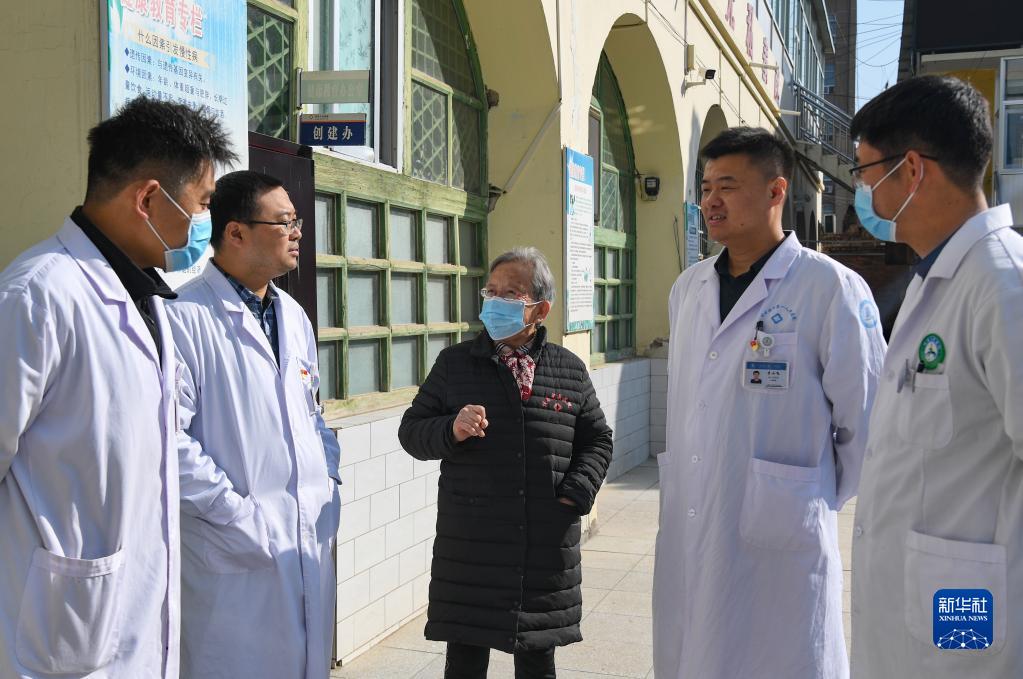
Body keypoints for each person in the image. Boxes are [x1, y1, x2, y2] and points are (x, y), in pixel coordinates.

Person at [0, 96, 235, 678]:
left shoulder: (145, 297)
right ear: (149, 199)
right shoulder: (37, 296)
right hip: (54, 634)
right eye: (203, 203)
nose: (204, 223)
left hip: (131, 623)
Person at [653, 127, 886, 678]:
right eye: (706, 187)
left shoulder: (829, 287)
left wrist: (801, 492)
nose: (711, 200)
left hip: (782, 536)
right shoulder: (689, 289)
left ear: (776, 191)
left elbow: (868, 424)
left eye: (728, 186)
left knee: (779, 657)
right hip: (694, 517)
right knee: (695, 649)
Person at [849, 75, 1023, 677]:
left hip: (964, 621)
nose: (862, 192)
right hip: (922, 612)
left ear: (912, 169)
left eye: (865, 172)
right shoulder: (938, 280)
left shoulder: (1003, 285)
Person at [399, 247, 613, 679]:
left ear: (540, 309)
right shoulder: (456, 363)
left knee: (536, 660)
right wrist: (451, 428)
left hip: (543, 543)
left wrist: (574, 494)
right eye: (491, 291)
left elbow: (597, 439)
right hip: (472, 545)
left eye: (511, 293)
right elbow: (412, 432)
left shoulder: (568, 369)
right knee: (465, 660)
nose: (496, 302)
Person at [165, 171, 341, 679]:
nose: (297, 233)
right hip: (231, 547)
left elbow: (312, 415)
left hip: (304, 537)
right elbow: (168, 440)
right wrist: (237, 516)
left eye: (297, 221)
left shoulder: (293, 316)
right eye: (284, 222)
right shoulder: (182, 316)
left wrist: (328, 480)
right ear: (236, 232)